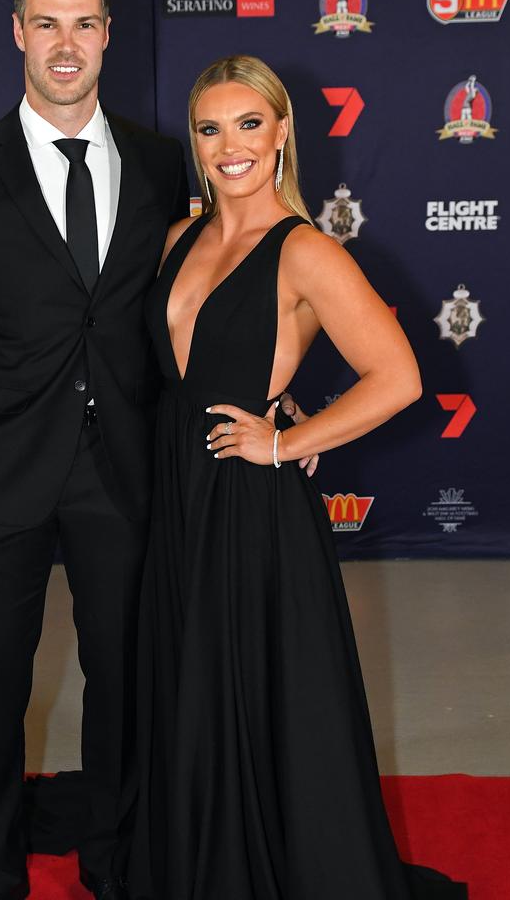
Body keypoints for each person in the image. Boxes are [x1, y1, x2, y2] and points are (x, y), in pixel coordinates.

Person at [0, 0, 320, 900]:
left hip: (127, 476)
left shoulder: (165, 161)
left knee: (124, 689)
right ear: (17, 31)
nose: (65, 44)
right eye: (46, 23)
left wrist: (274, 389)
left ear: (106, 35)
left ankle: (115, 862)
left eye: (83, 23)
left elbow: (200, 297)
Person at [128, 55, 468, 900]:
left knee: (252, 696)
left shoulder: (307, 251)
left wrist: (287, 440)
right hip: (173, 500)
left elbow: (398, 377)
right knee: (188, 688)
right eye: (211, 128)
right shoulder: (178, 238)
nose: (229, 145)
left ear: (282, 133)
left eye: (250, 124)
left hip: (249, 509)